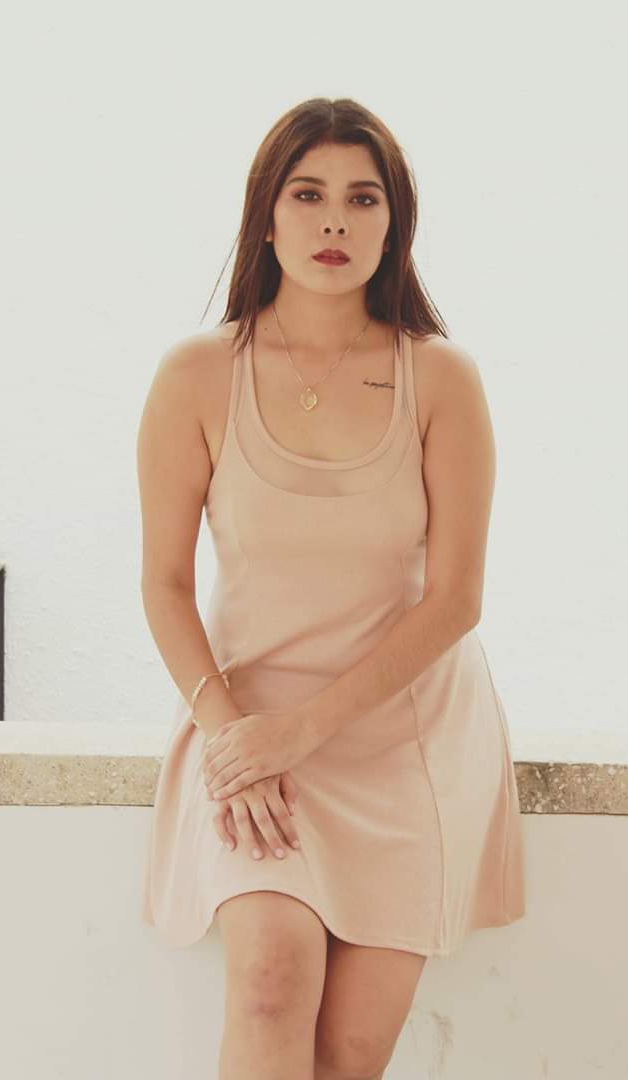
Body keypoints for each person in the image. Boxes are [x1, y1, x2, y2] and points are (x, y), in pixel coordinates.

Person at [137, 96, 526, 1080]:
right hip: (249, 728)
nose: (335, 221)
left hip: (403, 732)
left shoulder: (441, 379)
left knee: (349, 1055)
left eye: (363, 198)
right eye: (307, 195)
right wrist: (237, 740)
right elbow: (165, 584)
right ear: (265, 217)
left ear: (395, 224)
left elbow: (457, 598)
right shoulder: (196, 376)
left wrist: (305, 732)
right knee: (270, 981)